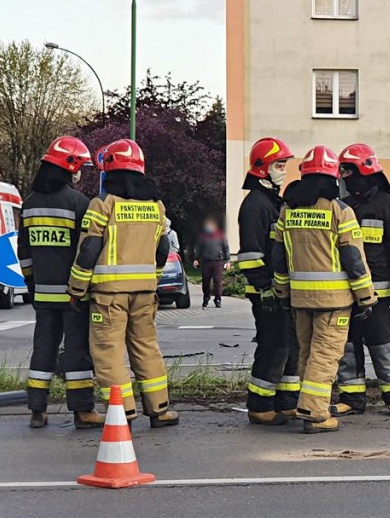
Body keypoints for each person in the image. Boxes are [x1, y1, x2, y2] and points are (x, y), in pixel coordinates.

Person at [67, 139, 178, 427]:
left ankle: (123, 412)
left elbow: (89, 249)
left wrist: (76, 289)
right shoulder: (156, 206)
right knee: (146, 348)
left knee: (109, 351)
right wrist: (152, 279)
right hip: (145, 294)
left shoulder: (102, 204)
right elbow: (163, 248)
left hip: (108, 295)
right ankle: (160, 409)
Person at [272, 145, 376, 434]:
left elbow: (278, 257)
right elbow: (354, 259)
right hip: (334, 301)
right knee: (326, 356)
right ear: (333, 177)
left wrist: (282, 291)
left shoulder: (287, 210)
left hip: (300, 299)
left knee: (307, 354)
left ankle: (307, 405)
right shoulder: (340, 211)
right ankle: (316, 414)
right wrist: (366, 296)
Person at [16, 137, 102, 430]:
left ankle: (37, 410)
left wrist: (31, 285)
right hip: (73, 295)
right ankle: (82, 411)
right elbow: (87, 249)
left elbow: (24, 253)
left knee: (43, 348)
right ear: (70, 167)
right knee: (77, 351)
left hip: (42, 294)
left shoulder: (29, 205)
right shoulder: (79, 203)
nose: (81, 174)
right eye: (80, 168)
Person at [334, 144, 390, 418]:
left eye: (347, 170)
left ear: (363, 171)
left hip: (379, 294)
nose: (343, 176)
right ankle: (352, 398)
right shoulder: (342, 207)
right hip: (345, 293)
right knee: (347, 346)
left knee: (383, 345)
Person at [234, 137, 300, 425]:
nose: (283, 170)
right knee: (273, 346)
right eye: (278, 165)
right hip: (266, 292)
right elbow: (250, 255)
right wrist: (265, 289)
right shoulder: (255, 206)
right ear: (262, 168)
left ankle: (286, 404)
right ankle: (260, 406)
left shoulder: (273, 202)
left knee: (289, 346)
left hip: (279, 291)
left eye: (284, 165)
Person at [193, 215, 230, 308]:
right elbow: (198, 249)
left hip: (218, 261)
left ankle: (218, 299)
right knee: (206, 281)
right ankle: (206, 297)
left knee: (217, 282)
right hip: (206, 262)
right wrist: (196, 259)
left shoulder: (220, 235)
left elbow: (226, 248)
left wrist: (228, 260)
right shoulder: (202, 236)